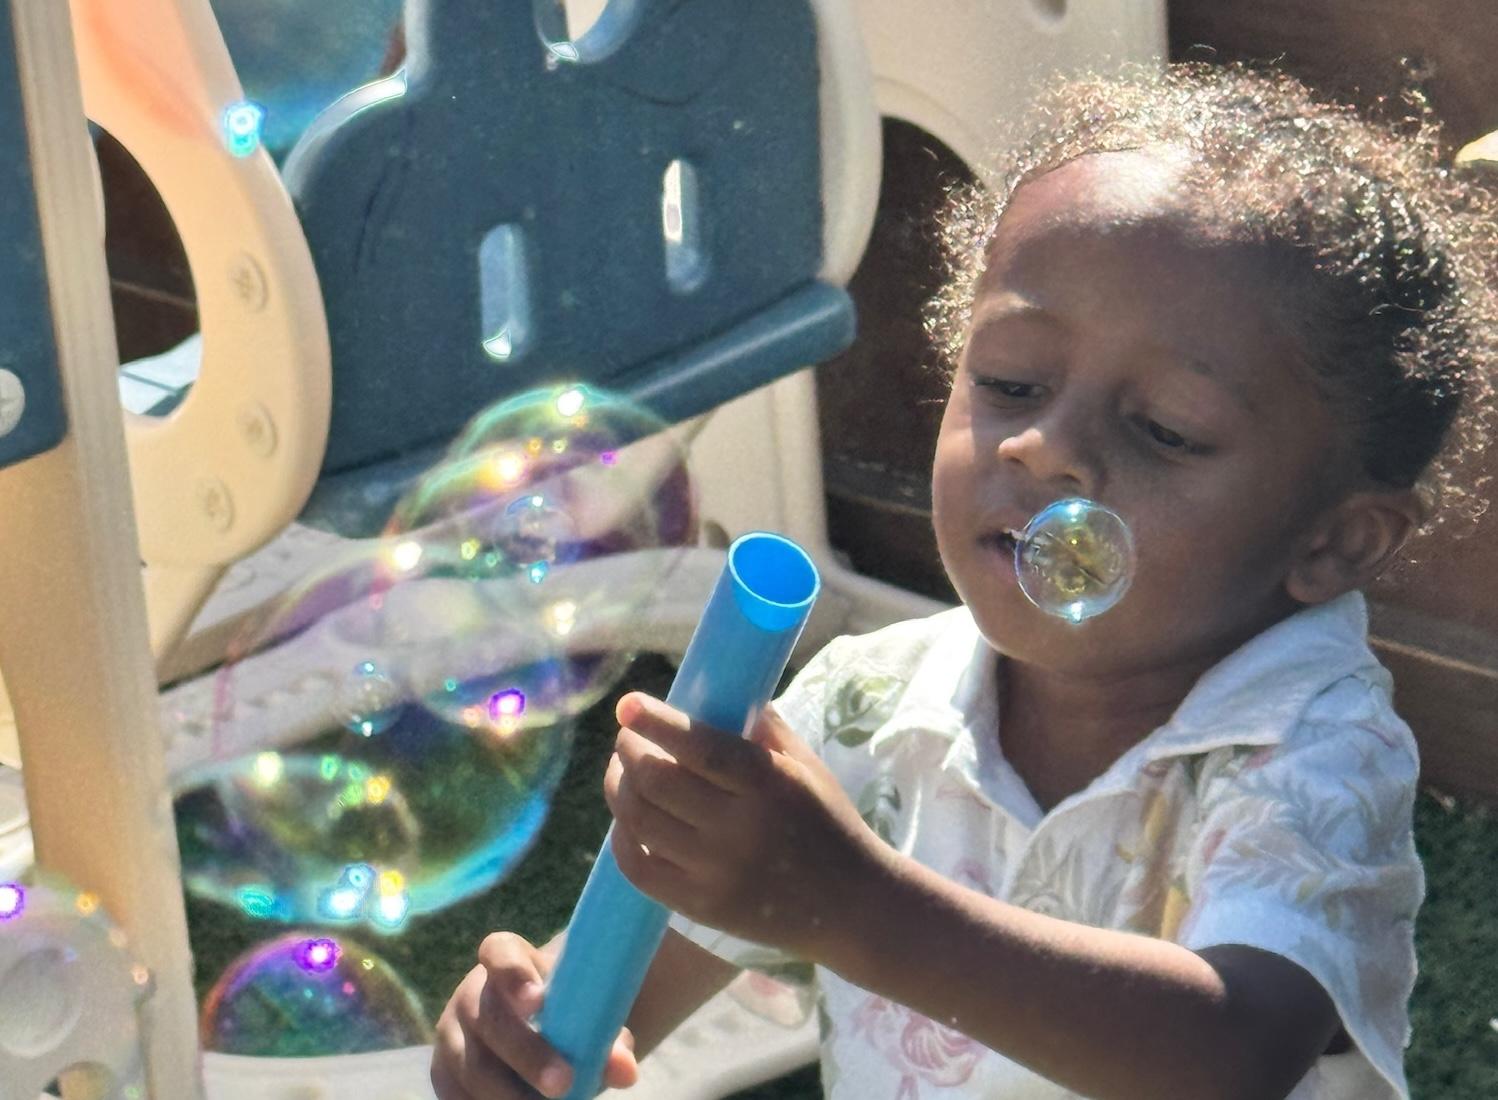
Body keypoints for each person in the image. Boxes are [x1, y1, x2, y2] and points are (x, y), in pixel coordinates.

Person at [430, 62, 1497, 1100]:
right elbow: (612, 1003)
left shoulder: (1313, 751)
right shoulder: (862, 701)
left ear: (1335, 542)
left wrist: (847, 901)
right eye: (1010, 381)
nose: (1044, 447)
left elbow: (1231, 1055)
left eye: (1165, 428)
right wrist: (524, 1033)